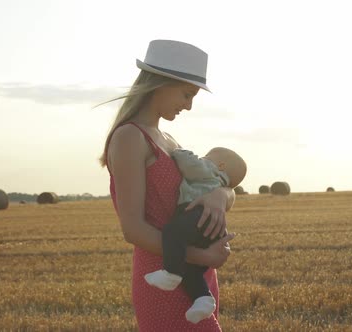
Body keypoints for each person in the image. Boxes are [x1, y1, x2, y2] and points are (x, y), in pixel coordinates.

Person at [99, 40, 236, 331]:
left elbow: (214, 185)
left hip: (197, 277)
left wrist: (219, 196)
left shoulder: (171, 141)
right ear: (159, 84)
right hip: (163, 276)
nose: (189, 105)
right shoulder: (130, 138)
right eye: (187, 94)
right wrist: (202, 256)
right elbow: (133, 229)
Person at [145, 147, 247, 324]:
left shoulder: (209, 172)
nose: (202, 159)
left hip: (196, 215)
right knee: (191, 271)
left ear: (220, 165)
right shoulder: (220, 183)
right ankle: (203, 299)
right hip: (211, 228)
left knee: (171, 231)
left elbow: (190, 165)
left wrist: (179, 152)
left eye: (206, 157)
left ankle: (171, 272)